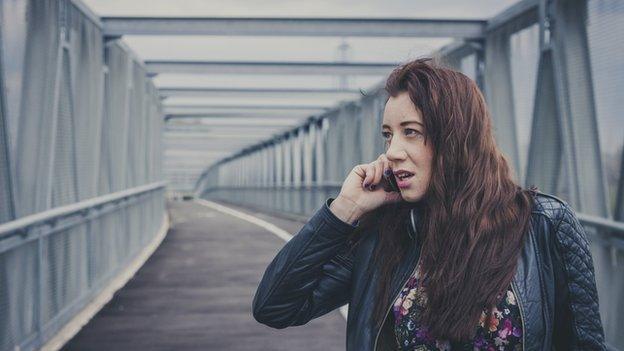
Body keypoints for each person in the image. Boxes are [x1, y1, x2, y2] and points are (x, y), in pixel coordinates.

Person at [252, 58, 607, 350]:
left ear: (455, 138)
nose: (392, 152)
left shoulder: (545, 225)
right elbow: (276, 307)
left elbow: (584, 343)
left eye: (411, 132)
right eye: (388, 134)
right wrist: (345, 209)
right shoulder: (384, 234)